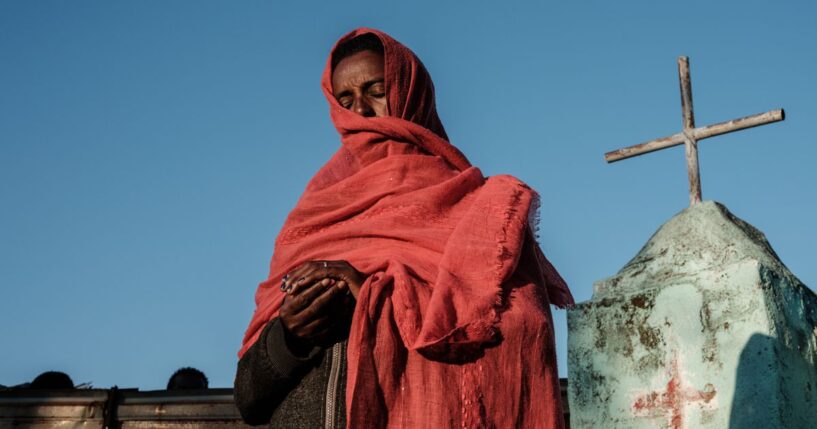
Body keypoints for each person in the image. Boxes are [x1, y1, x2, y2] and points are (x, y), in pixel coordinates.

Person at [234, 28, 573, 428]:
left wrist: (377, 298)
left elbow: (523, 335)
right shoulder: (310, 218)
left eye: (376, 90)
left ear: (410, 94)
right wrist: (290, 336)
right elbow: (249, 399)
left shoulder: (480, 213)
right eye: (345, 100)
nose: (359, 111)